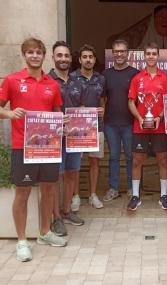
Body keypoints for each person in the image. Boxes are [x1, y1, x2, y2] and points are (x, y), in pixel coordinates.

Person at [0, 38, 68, 262]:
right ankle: (21, 241)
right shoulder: (12, 80)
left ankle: (45, 232)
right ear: (24, 55)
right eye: (30, 52)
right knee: (23, 193)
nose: (35, 56)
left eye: (38, 52)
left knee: (49, 190)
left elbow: (57, 112)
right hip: (23, 146)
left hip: (48, 147)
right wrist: (9, 114)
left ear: (44, 55)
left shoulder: (52, 84)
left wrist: (63, 122)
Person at [128, 42, 167, 211]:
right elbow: (131, 102)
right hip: (140, 127)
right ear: (145, 56)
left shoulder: (166, 79)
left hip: (159, 128)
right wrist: (139, 118)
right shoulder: (137, 79)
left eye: (154, 53)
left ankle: (163, 196)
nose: (151, 56)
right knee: (137, 161)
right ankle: (136, 196)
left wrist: (160, 117)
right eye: (149, 54)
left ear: (158, 56)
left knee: (162, 160)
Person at [48, 41, 85, 236]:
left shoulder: (76, 81)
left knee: (72, 173)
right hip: (54, 137)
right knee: (56, 177)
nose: (63, 59)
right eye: (59, 55)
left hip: (74, 137)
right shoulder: (47, 81)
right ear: (53, 57)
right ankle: (56, 218)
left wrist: (83, 112)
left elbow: (80, 106)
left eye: (66, 56)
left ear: (71, 58)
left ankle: (67, 210)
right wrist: (57, 120)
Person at [102, 39, 140, 201]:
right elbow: (102, 100)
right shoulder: (106, 74)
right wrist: (101, 122)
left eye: (122, 51)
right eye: (116, 51)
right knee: (113, 157)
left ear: (127, 53)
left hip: (130, 123)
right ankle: (113, 188)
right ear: (113, 53)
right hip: (111, 124)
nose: (119, 54)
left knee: (132, 157)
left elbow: (139, 100)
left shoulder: (135, 74)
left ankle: (133, 187)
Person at [70, 44, 106, 210]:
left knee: (94, 161)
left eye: (91, 57)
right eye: (85, 57)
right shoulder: (72, 78)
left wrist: (102, 110)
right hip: (76, 129)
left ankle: (92, 195)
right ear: (79, 60)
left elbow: (103, 98)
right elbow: (67, 102)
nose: (88, 60)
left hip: (96, 126)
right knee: (76, 163)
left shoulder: (101, 78)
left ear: (94, 59)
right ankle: (76, 196)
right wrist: (79, 110)